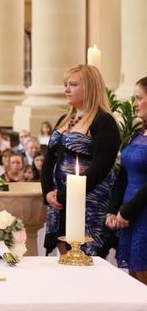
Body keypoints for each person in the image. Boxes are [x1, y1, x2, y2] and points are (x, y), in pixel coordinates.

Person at [41, 64, 120, 256]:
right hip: (60, 202)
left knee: (84, 260)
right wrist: (48, 192)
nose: (66, 90)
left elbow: (100, 168)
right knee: (64, 257)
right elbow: (49, 158)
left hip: (88, 203)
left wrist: (63, 196)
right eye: (66, 85)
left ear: (90, 88)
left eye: (73, 85)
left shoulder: (104, 121)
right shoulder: (64, 119)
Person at [106, 77, 147, 284]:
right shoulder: (138, 135)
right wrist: (113, 210)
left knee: (143, 274)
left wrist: (127, 211)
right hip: (127, 215)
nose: (135, 103)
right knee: (133, 277)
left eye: (139, 98)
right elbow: (122, 176)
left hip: (143, 214)